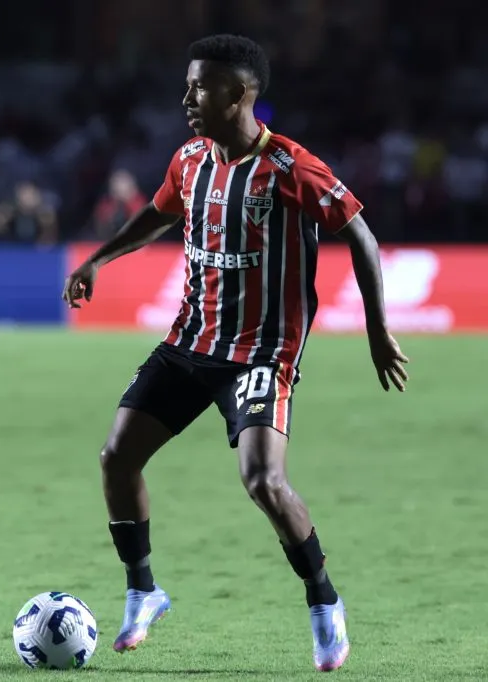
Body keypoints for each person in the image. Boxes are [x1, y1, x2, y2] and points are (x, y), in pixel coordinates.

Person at [62, 35, 409, 672]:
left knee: (263, 480)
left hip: (261, 353)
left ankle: (323, 601)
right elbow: (157, 215)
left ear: (241, 94)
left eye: (200, 87)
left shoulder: (290, 167)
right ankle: (144, 590)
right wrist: (97, 258)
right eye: (189, 84)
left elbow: (359, 233)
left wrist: (376, 328)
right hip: (190, 342)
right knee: (116, 457)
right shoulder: (190, 158)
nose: (187, 98)